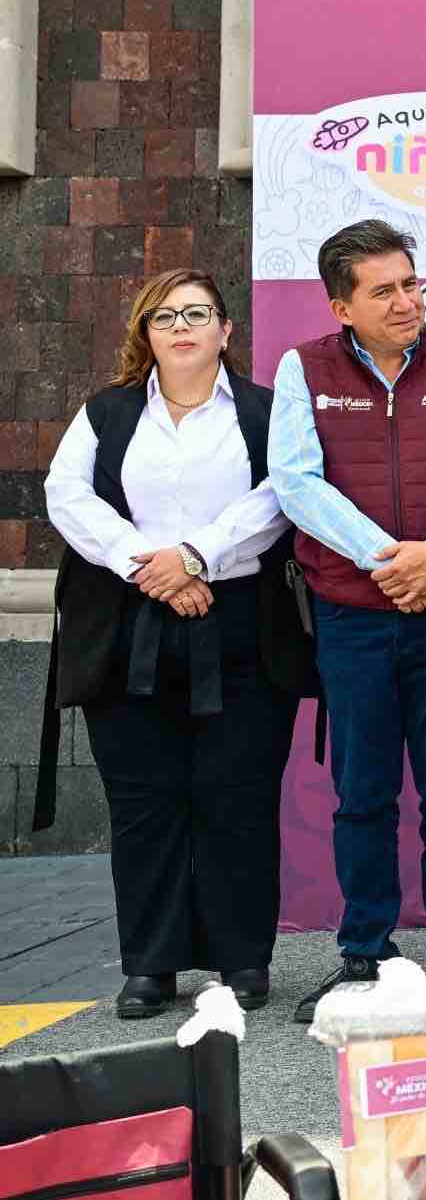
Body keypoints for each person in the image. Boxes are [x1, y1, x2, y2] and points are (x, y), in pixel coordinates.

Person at [40, 271, 311, 1017]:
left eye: (197, 313)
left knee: (238, 796)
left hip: (242, 622)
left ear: (226, 329)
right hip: (130, 621)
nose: (181, 326)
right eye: (164, 316)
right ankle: (151, 965)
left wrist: (195, 556)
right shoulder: (107, 411)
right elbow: (68, 494)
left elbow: (280, 496)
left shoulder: (264, 411)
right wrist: (150, 567)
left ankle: (242, 958)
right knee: (143, 801)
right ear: (145, 332)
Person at [273, 219, 426, 1023]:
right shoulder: (303, 369)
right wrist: (389, 560)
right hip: (353, 618)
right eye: (383, 291)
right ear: (342, 308)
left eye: (411, 283)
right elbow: (296, 482)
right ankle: (364, 951)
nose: (406, 302)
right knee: (362, 792)